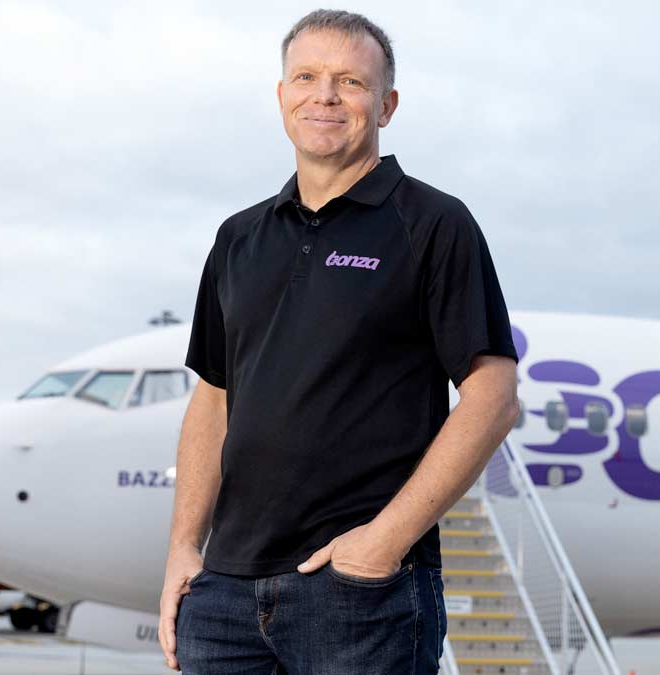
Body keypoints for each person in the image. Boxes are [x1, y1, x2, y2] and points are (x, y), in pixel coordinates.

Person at [157, 9, 520, 674]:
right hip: (225, 596)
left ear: (386, 106)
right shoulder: (238, 238)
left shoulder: (433, 223)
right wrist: (184, 549)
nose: (324, 95)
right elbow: (213, 397)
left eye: (349, 81)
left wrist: (385, 542)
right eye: (307, 76)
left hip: (359, 594)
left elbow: (493, 396)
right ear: (281, 95)